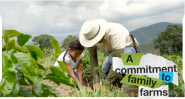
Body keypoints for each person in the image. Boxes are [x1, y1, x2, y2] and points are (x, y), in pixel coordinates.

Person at [79, 19, 139, 91]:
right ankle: (118, 75)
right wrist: (96, 81)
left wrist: (106, 84)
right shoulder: (90, 35)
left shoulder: (115, 32)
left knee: (112, 60)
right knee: (104, 72)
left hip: (128, 50)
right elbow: (93, 59)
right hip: (112, 54)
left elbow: (117, 61)